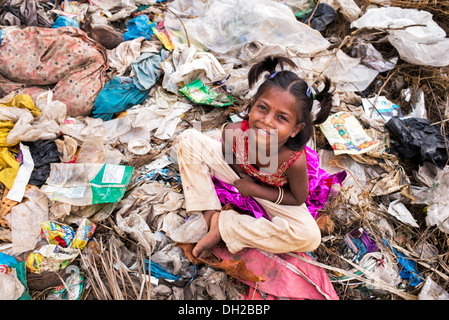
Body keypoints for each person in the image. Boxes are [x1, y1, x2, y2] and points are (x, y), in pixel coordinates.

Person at [175, 56, 334, 259]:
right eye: (263, 108)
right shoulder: (234, 133)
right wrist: (241, 173)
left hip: (274, 194)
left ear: (295, 129)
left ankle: (225, 226)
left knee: (309, 237)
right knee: (188, 139)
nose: (266, 121)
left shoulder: (293, 160)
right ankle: (208, 213)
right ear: (253, 105)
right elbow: (229, 160)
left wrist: (254, 189)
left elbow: (298, 198)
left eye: (281, 118)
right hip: (244, 178)